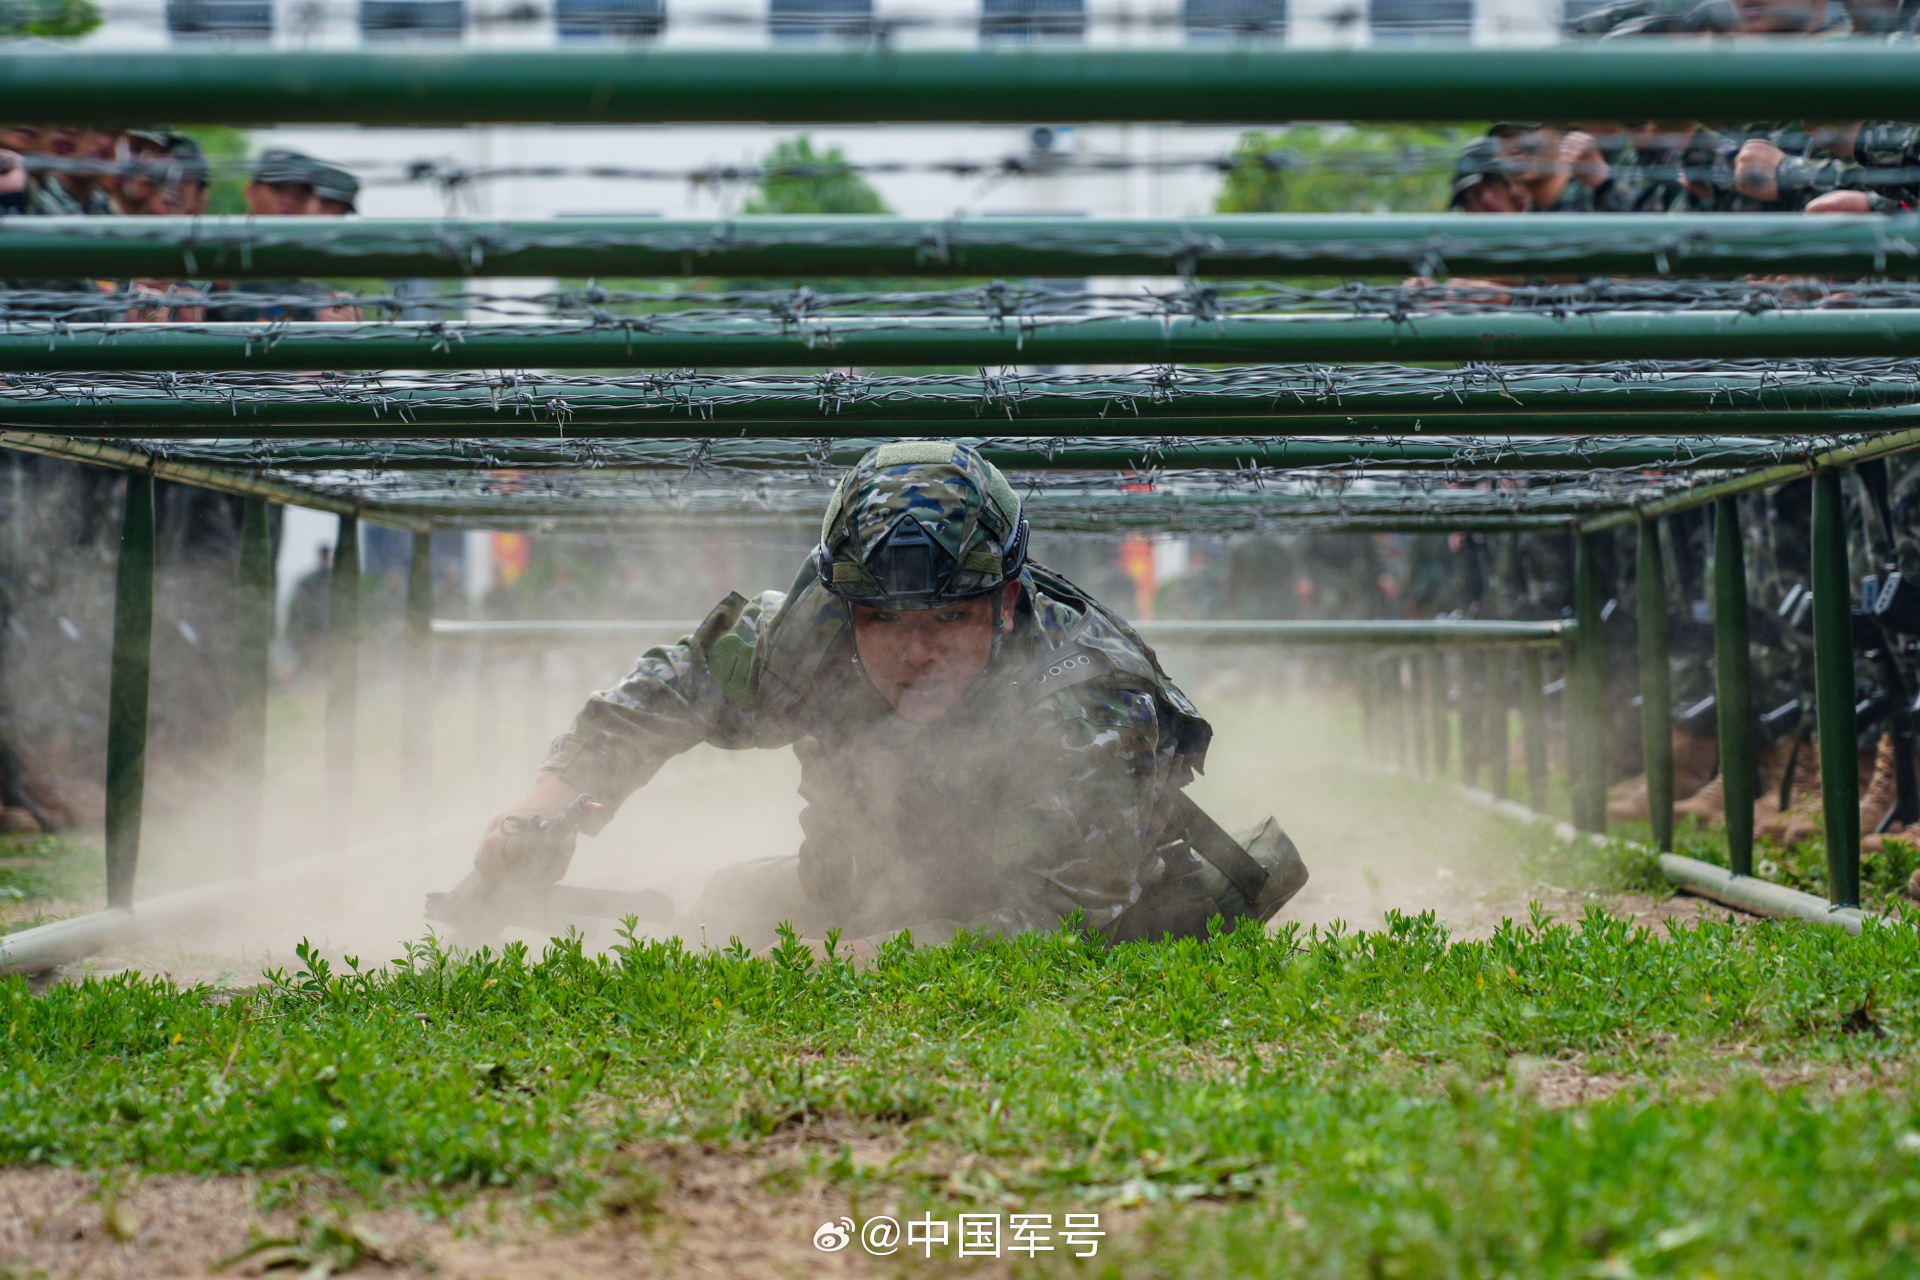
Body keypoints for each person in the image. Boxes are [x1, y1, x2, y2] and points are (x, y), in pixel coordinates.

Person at [471, 442, 1307, 959]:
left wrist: (841, 961)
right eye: (883, 620)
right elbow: (671, 687)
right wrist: (543, 812)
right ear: (846, 609)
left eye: (951, 617)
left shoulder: (1092, 700)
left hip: (1084, 913)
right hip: (867, 891)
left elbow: (1058, 928)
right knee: (724, 907)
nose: (916, 651)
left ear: (1007, 603)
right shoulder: (815, 634)